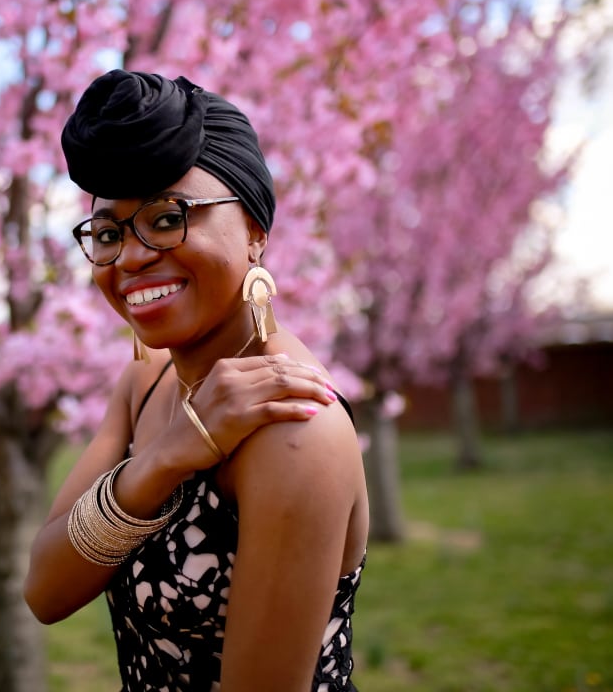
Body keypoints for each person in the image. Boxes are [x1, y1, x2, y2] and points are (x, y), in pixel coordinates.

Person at [24, 70, 369, 692]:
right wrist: (166, 457)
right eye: (107, 233)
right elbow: (45, 589)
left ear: (255, 232)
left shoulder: (295, 429)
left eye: (166, 218)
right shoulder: (147, 384)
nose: (129, 257)